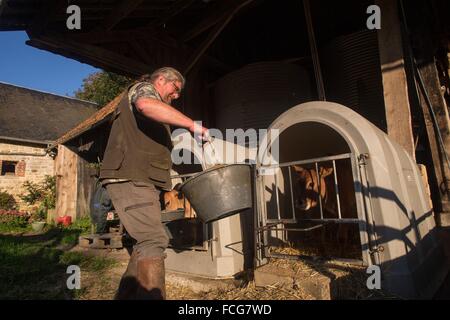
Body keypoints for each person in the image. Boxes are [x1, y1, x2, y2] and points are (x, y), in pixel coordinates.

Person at [99, 67, 208, 300]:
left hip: (141, 180)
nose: (177, 96)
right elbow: (145, 105)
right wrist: (191, 124)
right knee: (153, 240)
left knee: (144, 243)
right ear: (160, 79)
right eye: (175, 88)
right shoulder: (143, 89)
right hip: (130, 177)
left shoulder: (159, 108)